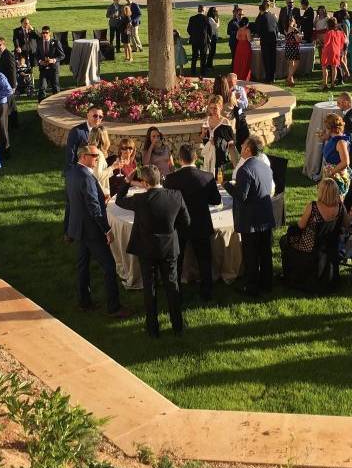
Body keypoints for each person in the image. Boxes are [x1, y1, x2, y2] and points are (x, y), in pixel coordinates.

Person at [116, 166, 189, 337]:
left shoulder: (140, 199)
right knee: (172, 285)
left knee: (150, 287)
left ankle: (152, 328)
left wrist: (127, 181)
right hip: (169, 247)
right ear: (160, 178)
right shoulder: (175, 195)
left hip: (146, 249)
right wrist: (170, 230)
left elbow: (119, 200)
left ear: (145, 183)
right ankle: (177, 325)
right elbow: (186, 221)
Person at [63, 147, 126, 317]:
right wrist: (106, 229)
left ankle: (84, 302)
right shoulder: (86, 177)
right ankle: (114, 307)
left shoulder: (71, 173)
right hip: (91, 231)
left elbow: (69, 203)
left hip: (79, 229)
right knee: (109, 266)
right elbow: (93, 207)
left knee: (82, 266)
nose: (97, 158)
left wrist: (68, 229)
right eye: (94, 156)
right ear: (83, 157)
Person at [164, 143, 222, 301]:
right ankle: (207, 291)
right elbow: (216, 200)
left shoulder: (170, 180)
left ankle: (176, 292)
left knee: (177, 261)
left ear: (179, 159)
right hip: (201, 224)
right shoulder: (207, 177)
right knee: (204, 259)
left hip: (179, 225)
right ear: (196, 158)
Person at [224, 136, 275, 297]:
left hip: (251, 220)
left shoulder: (244, 170)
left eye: (243, 145)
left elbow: (241, 196)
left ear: (247, 149)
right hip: (265, 216)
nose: (241, 146)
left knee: (251, 254)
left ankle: (251, 286)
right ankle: (267, 282)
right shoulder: (264, 166)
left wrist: (227, 186)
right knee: (265, 252)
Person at [200, 95, 233, 177]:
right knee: (207, 173)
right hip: (208, 151)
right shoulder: (206, 120)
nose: (213, 110)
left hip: (219, 153)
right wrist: (204, 133)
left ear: (221, 107)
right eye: (211, 108)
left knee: (218, 175)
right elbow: (201, 137)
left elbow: (231, 141)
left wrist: (217, 142)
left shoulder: (225, 122)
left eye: (215, 108)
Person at [65, 105, 104, 173]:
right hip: (80, 171)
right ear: (88, 115)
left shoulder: (100, 131)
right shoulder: (77, 131)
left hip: (95, 170)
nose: (98, 118)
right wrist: (72, 172)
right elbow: (71, 153)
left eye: (100, 117)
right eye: (95, 116)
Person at [320, 113, 351, 195]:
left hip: (337, 176)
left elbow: (346, 162)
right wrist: (326, 137)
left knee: (335, 200)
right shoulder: (334, 137)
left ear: (329, 128)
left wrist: (332, 172)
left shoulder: (340, 142)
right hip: (331, 173)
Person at [35, 26, 65, 101]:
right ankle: (40, 107)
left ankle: (57, 106)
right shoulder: (39, 43)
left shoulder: (56, 42)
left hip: (53, 69)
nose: (44, 34)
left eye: (46, 33)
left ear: (50, 33)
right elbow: (37, 55)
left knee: (55, 88)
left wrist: (54, 60)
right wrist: (40, 61)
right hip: (43, 69)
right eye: (43, 33)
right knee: (42, 88)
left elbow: (62, 55)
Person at [255, 1, 279, 83]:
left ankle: (268, 77)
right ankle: (273, 77)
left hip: (265, 40)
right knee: (273, 59)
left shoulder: (261, 17)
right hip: (273, 40)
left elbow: (257, 28)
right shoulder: (273, 16)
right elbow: (277, 29)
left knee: (267, 59)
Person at [321, 17, 345, 90]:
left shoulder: (328, 33)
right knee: (334, 67)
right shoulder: (340, 33)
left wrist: (321, 43)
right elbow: (343, 42)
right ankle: (332, 84)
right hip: (336, 50)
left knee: (324, 67)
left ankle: (325, 84)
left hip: (328, 50)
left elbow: (326, 43)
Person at [228, 73, 250, 149]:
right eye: (228, 82)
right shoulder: (224, 90)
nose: (230, 83)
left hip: (239, 116)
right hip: (228, 116)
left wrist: (236, 100)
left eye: (232, 82)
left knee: (244, 132)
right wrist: (232, 97)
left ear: (236, 81)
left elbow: (245, 105)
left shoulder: (240, 89)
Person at [187, 5, 210, 77]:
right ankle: (203, 72)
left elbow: (189, 30)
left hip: (195, 40)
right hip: (203, 40)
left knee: (194, 56)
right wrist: (209, 38)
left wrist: (193, 35)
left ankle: (193, 71)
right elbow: (209, 30)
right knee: (203, 57)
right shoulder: (206, 18)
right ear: (203, 10)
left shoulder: (192, 18)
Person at [282, 16, 302, 87]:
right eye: (292, 20)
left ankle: (291, 81)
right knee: (296, 63)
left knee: (291, 64)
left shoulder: (286, 29)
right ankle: (288, 78)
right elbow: (298, 40)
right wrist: (300, 36)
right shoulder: (293, 29)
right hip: (293, 48)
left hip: (288, 47)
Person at [206, 7, 220, 71]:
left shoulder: (214, 18)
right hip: (211, 37)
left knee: (213, 52)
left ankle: (210, 64)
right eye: (214, 11)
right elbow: (216, 26)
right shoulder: (210, 18)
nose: (216, 12)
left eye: (216, 11)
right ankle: (208, 65)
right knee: (211, 51)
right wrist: (217, 19)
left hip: (214, 36)